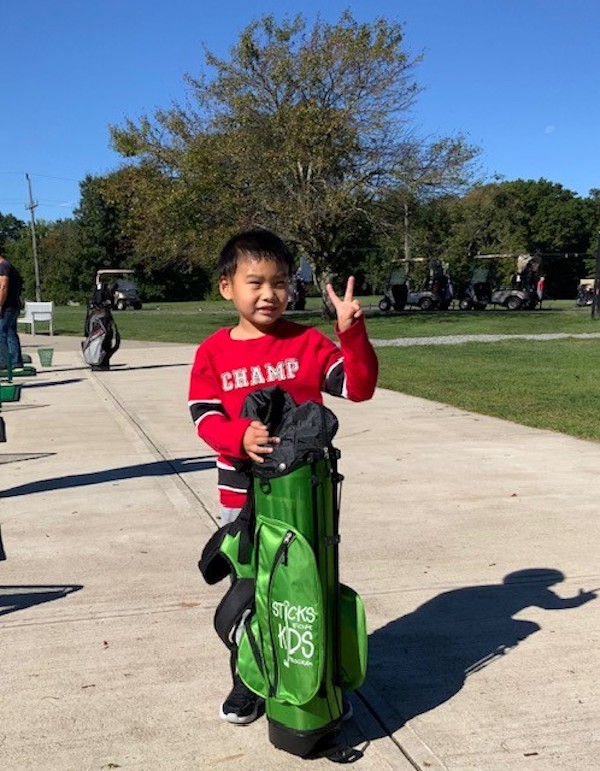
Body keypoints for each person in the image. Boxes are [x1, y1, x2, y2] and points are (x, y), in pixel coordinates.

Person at [188, 228, 378, 725]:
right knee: (251, 592)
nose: (269, 294)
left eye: (280, 282)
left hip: (305, 496)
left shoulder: (307, 343)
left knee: (306, 589)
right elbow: (203, 416)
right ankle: (250, 680)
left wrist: (351, 334)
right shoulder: (213, 352)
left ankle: (322, 677)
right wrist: (237, 436)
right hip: (243, 497)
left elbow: (358, 387)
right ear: (227, 287)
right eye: (255, 282)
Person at [0, 253, 24, 370]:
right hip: (13, 305)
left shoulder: (3, 267)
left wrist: (0, 305)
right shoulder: (8, 266)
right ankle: (16, 362)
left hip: (7, 307)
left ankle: (4, 362)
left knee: (1, 333)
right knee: (10, 333)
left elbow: (4, 286)